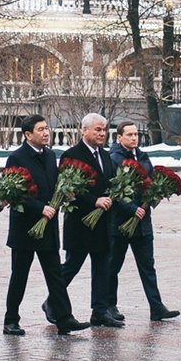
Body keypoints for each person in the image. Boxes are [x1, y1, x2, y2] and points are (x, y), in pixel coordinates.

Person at [1, 113, 88, 336]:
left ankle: (64, 319)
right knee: (19, 275)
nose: (46, 132)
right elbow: (14, 193)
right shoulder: (17, 158)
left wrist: (63, 194)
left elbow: (53, 184)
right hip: (25, 228)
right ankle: (11, 320)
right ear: (28, 134)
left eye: (47, 128)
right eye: (40, 129)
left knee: (55, 275)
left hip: (48, 226)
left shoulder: (50, 155)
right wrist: (39, 208)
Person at [107, 121, 180, 324]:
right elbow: (113, 190)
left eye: (135, 134)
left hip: (143, 223)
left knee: (148, 266)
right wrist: (131, 208)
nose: (133, 138)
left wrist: (154, 196)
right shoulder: (114, 159)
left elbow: (149, 182)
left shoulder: (143, 156)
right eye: (129, 135)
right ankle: (109, 305)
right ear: (119, 137)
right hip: (121, 223)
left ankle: (156, 307)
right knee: (113, 265)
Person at [58, 113, 120, 327]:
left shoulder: (105, 156)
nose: (102, 133)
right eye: (97, 130)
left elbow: (109, 183)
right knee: (72, 265)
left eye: (104, 130)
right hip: (80, 223)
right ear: (84, 131)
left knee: (102, 266)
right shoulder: (71, 155)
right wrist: (94, 201)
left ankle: (100, 311)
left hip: (102, 222)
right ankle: (52, 300)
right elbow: (68, 189)